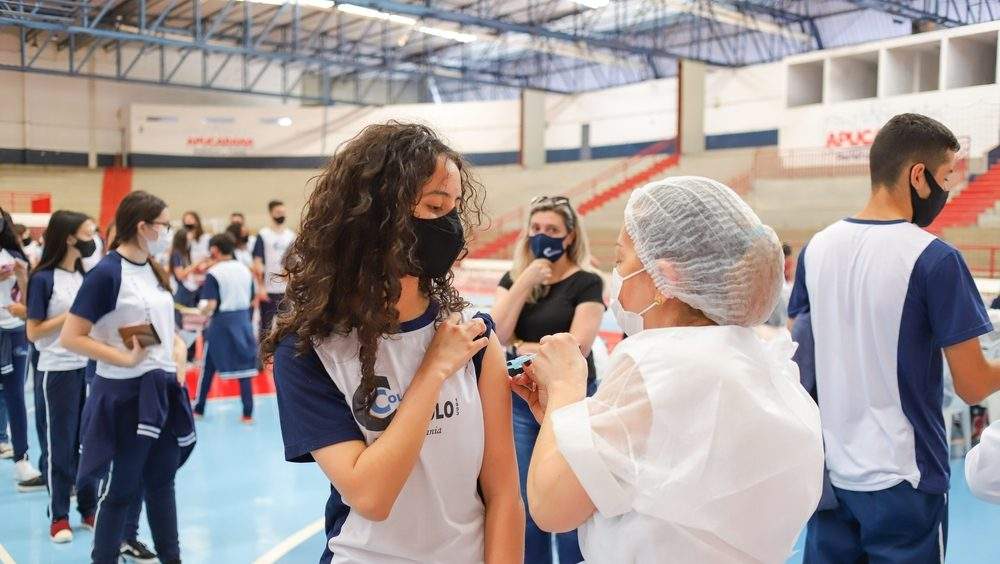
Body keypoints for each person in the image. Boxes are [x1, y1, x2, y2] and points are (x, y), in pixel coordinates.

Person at [510, 176, 824, 562]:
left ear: (666, 278)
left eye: (621, 259)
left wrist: (565, 390)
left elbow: (551, 507)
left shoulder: (654, 363)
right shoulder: (764, 363)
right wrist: (571, 426)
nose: (617, 279)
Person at [265, 122, 524, 563]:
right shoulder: (308, 350)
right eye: (434, 206)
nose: (451, 225)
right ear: (376, 217)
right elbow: (371, 496)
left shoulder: (474, 337)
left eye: (455, 207)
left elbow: (504, 497)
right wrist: (432, 372)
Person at [788, 114, 1000, 563]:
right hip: (905, 479)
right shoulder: (935, 259)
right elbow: (973, 385)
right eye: (945, 178)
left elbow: (799, 359)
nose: (947, 192)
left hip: (829, 475)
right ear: (918, 176)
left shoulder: (816, 248)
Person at [60, 190, 195, 564]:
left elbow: (168, 329)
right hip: (125, 394)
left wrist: (179, 352)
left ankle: (173, 558)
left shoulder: (154, 268)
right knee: (122, 487)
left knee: (162, 483)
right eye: (165, 224)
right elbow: (72, 335)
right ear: (143, 226)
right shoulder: (106, 273)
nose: (169, 231)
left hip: (163, 388)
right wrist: (120, 356)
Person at [490, 195, 604, 564]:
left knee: (569, 499)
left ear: (569, 236)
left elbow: (577, 347)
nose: (543, 236)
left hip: (571, 400)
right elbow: (499, 335)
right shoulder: (515, 278)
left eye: (552, 230)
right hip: (523, 399)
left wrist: (524, 346)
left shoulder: (586, 282)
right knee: (528, 498)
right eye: (536, 229)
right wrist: (524, 282)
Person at [24, 210, 99, 543]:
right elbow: (33, 332)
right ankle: (59, 515)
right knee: (60, 446)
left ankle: (87, 507)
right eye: (87, 232)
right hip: (57, 371)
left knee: (88, 443)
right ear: (70, 238)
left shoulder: (83, 274)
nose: (92, 239)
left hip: (88, 368)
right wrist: (72, 316)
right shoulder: (43, 279)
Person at [193, 233, 258, 422]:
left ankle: (199, 409)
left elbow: (211, 304)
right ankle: (248, 414)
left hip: (221, 323)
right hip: (243, 321)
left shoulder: (214, 273)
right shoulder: (245, 269)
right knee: (245, 368)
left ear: (215, 250)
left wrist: (199, 312)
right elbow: (251, 298)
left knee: (209, 367)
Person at [0, 208, 43, 489]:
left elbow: (29, 302)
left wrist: (24, 277)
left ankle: (22, 460)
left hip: (13, 329)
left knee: (15, 394)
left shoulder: (13, 255)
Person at [252, 200, 295, 340]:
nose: (281, 215)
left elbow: (294, 262)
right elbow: (257, 263)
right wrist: (261, 287)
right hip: (268, 289)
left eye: (283, 212)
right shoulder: (263, 235)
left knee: (287, 327)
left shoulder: (291, 236)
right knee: (266, 327)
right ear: (271, 214)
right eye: (277, 212)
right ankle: (263, 360)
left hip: (286, 290)